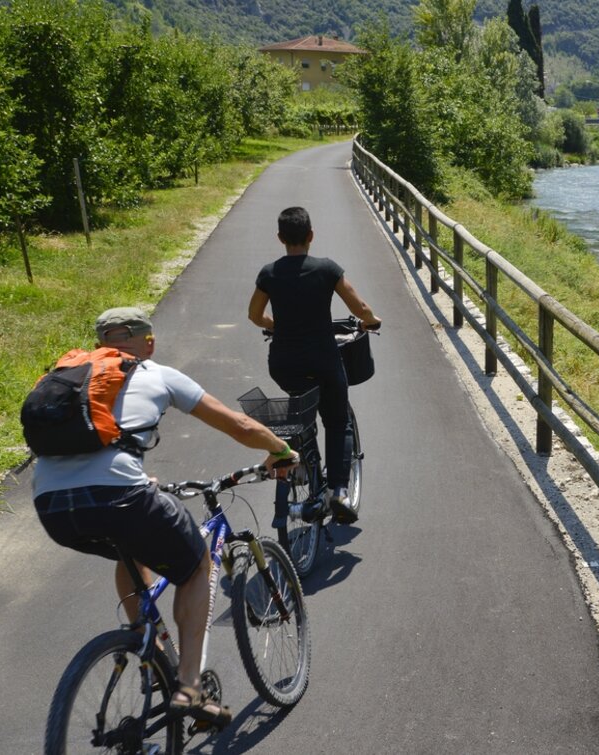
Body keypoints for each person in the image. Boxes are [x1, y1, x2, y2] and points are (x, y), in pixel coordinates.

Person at [33, 307, 299, 727]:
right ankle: (189, 687)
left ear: (101, 343)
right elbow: (239, 425)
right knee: (195, 566)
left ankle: (147, 648)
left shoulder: (76, 379)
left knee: (130, 553)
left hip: (51, 506)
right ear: (149, 341)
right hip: (119, 495)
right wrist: (281, 451)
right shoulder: (155, 373)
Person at [247, 206, 381, 524]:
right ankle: (337, 491)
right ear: (311, 235)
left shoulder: (269, 274)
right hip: (323, 358)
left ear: (280, 238)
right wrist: (371, 321)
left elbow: (254, 316)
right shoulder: (327, 269)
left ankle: (303, 460)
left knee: (301, 405)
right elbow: (359, 307)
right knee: (337, 422)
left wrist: (278, 326)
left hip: (283, 363)